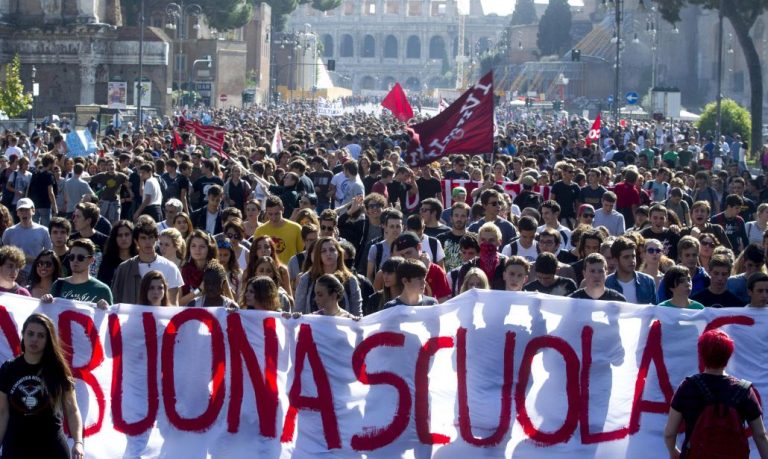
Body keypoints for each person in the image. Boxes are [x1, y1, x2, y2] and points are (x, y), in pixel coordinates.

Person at [664, 329, 768, 459]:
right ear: (729, 355)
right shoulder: (744, 390)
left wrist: (673, 452)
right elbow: (760, 435)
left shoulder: (687, 387)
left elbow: (669, 433)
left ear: (701, 354)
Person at [0, 313, 85, 459]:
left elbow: (72, 410)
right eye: (30, 333)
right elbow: (2, 413)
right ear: (23, 335)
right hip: (15, 450)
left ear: (48, 340)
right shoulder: (8, 369)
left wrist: (78, 442)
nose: (34, 339)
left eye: (41, 336)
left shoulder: (57, 370)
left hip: (52, 450)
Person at [112, 217, 183, 305]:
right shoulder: (123, 268)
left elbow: (173, 305)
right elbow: (115, 302)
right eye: (143, 238)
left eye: (151, 237)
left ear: (157, 239)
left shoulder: (170, 267)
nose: (148, 242)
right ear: (136, 241)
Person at [294, 237, 362, 315]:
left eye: (332, 250)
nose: (328, 254)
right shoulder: (306, 279)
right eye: (323, 251)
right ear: (318, 256)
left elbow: (357, 314)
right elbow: (298, 312)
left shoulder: (350, 280)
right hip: (314, 326)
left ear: (339, 253)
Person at [43, 239, 112, 308]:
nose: (75, 260)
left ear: (91, 260)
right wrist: (45, 302)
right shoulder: (58, 285)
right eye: (72, 257)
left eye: (80, 258)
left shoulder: (103, 290)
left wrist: (105, 309)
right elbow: (48, 313)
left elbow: (112, 316)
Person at [2, 198, 52, 285]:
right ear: (17, 213)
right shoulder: (9, 232)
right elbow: (3, 257)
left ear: (33, 211)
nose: (24, 213)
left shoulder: (43, 230)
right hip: (13, 276)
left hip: (36, 275)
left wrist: (33, 259)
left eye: (27, 210)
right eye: (21, 210)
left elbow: (50, 255)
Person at [253, 196, 303, 265]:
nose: (273, 218)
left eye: (277, 214)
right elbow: (255, 256)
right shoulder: (259, 231)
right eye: (270, 214)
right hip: (268, 272)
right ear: (266, 212)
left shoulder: (296, 228)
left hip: (290, 272)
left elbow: (302, 254)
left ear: (282, 210)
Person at [179, 229, 218, 305]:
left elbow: (229, 299)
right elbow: (179, 303)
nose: (197, 250)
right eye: (193, 246)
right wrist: (199, 290)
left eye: (202, 246)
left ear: (209, 249)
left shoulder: (217, 270)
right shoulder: (183, 271)